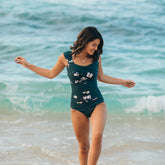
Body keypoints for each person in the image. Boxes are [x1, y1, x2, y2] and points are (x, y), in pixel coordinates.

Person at [15, 26, 135, 165]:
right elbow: (50, 74)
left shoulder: (96, 58)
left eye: (98, 46)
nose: (96, 48)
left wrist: (122, 82)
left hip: (97, 103)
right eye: (94, 45)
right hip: (77, 108)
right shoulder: (66, 57)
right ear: (85, 41)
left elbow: (101, 77)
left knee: (97, 136)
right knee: (83, 147)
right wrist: (28, 65)